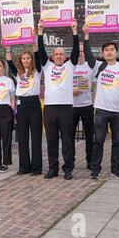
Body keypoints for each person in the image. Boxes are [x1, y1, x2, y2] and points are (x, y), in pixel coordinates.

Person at [84, 28, 119, 180]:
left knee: (117, 142)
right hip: (101, 111)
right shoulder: (99, 66)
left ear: (116, 52)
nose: (109, 52)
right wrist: (86, 36)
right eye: (106, 50)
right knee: (98, 141)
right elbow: (88, 55)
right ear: (103, 53)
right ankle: (95, 170)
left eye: (112, 50)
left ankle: (116, 169)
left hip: (118, 112)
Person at [37, 19, 79, 180]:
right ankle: (53, 168)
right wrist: (40, 32)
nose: (59, 56)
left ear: (65, 56)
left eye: (62, 54)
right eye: (56, 54)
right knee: (51, 140)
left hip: (66, 108)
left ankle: (68, 169)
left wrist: (74, 31)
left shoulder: (70, 66)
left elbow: (76, 51)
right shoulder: (47, 67)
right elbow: (40, 51)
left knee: (67, 141)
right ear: (52, 57)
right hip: (50, 109)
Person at [6, 40, 43, 176]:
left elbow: (38, 56)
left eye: (28, 58)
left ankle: (36, 168)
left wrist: (34, 45)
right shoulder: (18, 73)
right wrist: (8, 48)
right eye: (23, 58)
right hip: (21, 105)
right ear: (21, 60)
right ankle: (24, 166)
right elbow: (9, 63)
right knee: (22, 137)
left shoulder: (37, 71)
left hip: (34, 104)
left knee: (36, 137)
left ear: (31, 60)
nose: (26, 60)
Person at [71, 25, 101, 170]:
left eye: (82, 51)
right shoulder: (69, 66)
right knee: (69, 136)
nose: (80, 53)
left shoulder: (91, 67)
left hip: (87, 106)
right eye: (79, 51)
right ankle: (70, 160)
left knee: (90, 136)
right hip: (71, 106)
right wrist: (72, 91)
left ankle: (90, 161)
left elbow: (95, 86)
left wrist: (95, 104)